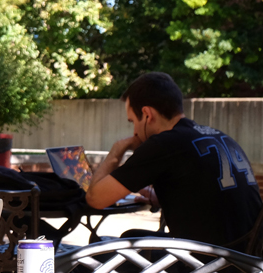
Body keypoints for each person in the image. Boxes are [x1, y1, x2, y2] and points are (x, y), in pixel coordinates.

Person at [86, 72, 262, 249]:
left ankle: (57, 271)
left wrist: (117, 150)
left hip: (208, 266)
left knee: (94, 255)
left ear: (147, 114)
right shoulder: (216, 136)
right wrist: (156, 197)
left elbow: (95, 199)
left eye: (132, 121)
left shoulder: (163, 144)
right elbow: (211, 197)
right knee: (131, 237)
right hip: (246, 258)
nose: (134, 133)